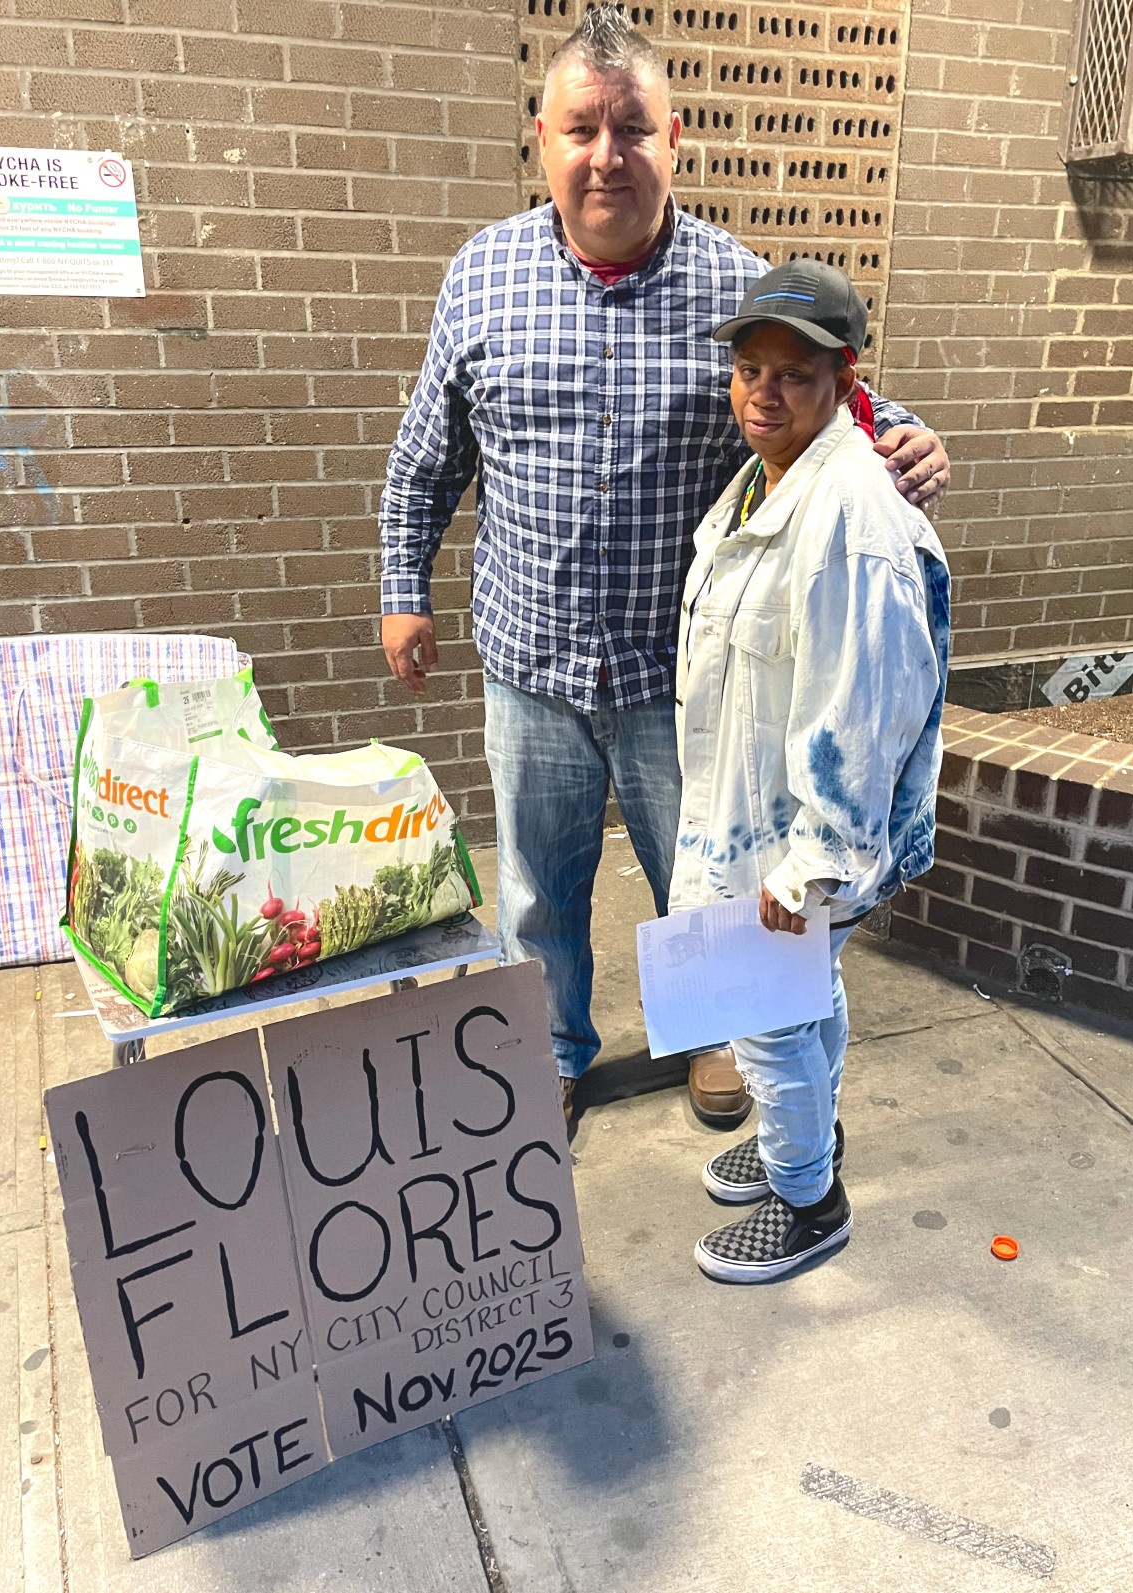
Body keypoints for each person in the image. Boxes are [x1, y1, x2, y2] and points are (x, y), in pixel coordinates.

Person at [379, 4, 951, 1128]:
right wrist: (404, 590)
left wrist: (913, 442)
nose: (605, 156)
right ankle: (551, 1042)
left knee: (714, 880)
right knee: (538, 890)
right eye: (580, 129)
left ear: (671, 137)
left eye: (630, 128)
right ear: (540, 137)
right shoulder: (479, 278)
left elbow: (834, 403)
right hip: (527, 661)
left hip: (680, 678)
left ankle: (713, 1033)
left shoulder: (734, 288)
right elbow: (422, 457)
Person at [669, 259, 950, 1283]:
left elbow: (864, 708)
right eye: (748, 370)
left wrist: (813, 864)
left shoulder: (848, 519)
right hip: (744, 812)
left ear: (843, 377)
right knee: (802, 998)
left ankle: (806, 1202)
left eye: (792, 374)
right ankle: (810, 1144)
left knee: (766, 1017)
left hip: (792, 841)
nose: (763, 394)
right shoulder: (763, 482)